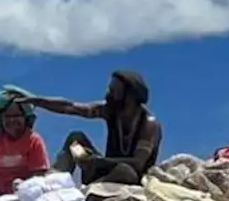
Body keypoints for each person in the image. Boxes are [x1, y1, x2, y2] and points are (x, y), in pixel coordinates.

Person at [21, 70, 161, 185]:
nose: (108, 95)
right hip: (103, 168)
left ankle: (91, 191)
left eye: (113, 91)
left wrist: (99, 161)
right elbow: (70, 107)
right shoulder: (110, 111)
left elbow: (138, 163)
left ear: (129, 96)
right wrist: (36, 101)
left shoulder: (149, 124)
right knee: (76, 139)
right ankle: (53, 182)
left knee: (125, 171)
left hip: (128, 178)